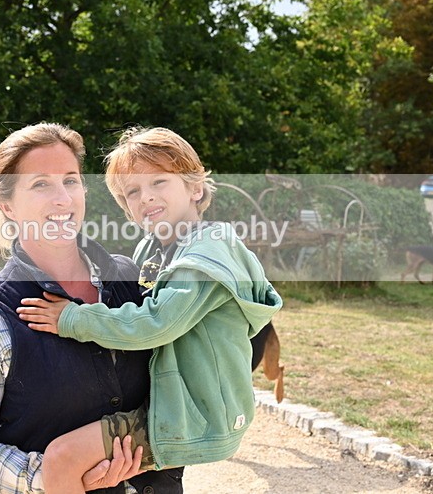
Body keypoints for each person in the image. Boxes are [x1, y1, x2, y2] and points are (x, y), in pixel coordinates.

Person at [17, 127, 283, 494]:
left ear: (195, 187)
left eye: (159, 181)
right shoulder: (153, 250)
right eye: (133, 192)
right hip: (175, 401)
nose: (147, 197)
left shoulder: (205, 257)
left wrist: (71, 318)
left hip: (194, 417)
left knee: (62, 458)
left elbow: (156, 323)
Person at [0, 123, 184, 494]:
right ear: (7, 206)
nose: (63, 200)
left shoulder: (135, 280)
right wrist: (60, 476)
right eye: (41, 184)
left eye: (70, 181)